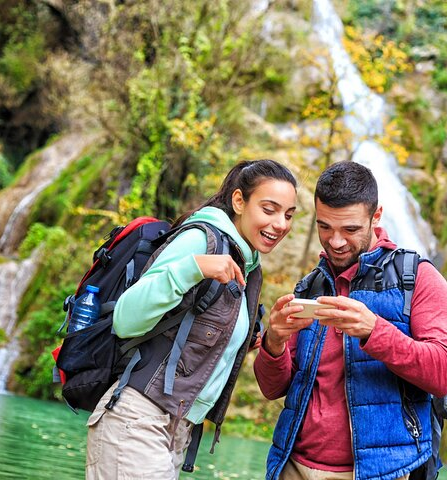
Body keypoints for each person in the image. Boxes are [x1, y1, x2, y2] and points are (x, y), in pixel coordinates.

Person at [85, 159, 298, 479]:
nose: (280, 223)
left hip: (176, 431)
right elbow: (125, 319)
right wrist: (193, 267)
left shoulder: (249, 264)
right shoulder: (200, 240)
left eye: (289, 214)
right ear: (239, 201)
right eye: (269, 209)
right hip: (137, 419)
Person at [254, 161, 447, 480]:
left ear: (376, 217)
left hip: (382, 472)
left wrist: (375, 331)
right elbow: (272, 388)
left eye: (350, 229)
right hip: (292, 465)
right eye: (325, 227)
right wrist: (274, 342)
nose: (335, 242)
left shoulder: (419, 279)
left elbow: (442, 374)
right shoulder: (310, 285)